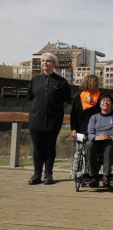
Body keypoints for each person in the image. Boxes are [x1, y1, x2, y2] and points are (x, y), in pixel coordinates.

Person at [27, 53, 71, 185]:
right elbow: (31, 99)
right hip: (36, 119)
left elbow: (66, 102)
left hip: (53, 120)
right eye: (43, 61)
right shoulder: (34, 80)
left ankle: (48, 174)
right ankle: (36, 174)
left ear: (54, 64)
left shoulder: (61, 82)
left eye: (48, 61)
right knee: (37, 147)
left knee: (50, 147)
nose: (45, 63)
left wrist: (54, 111)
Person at [86, 94, 113, 187]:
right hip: (96, 141)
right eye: (103, 101)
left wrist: (111, 137)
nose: (105, 102)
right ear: (100, 104)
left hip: (110, 141)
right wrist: (97, 137)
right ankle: (94, 176)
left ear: (111, 104)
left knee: (110, 145)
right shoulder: (94, 117)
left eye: (108, 101)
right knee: (88, 144)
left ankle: (106, 176)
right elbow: (89, 133)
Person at [70, 75, 100, 179]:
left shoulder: (100, 97)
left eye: (98, 82)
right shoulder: (79, 97)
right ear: (89, 83)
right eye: (95, 82)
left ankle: (91, 174)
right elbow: (73, 115)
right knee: (78, 153)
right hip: (81, 129)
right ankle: (76, 175)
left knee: (93, 154)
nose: (97, 84)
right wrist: (73, 129)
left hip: (96, 131)